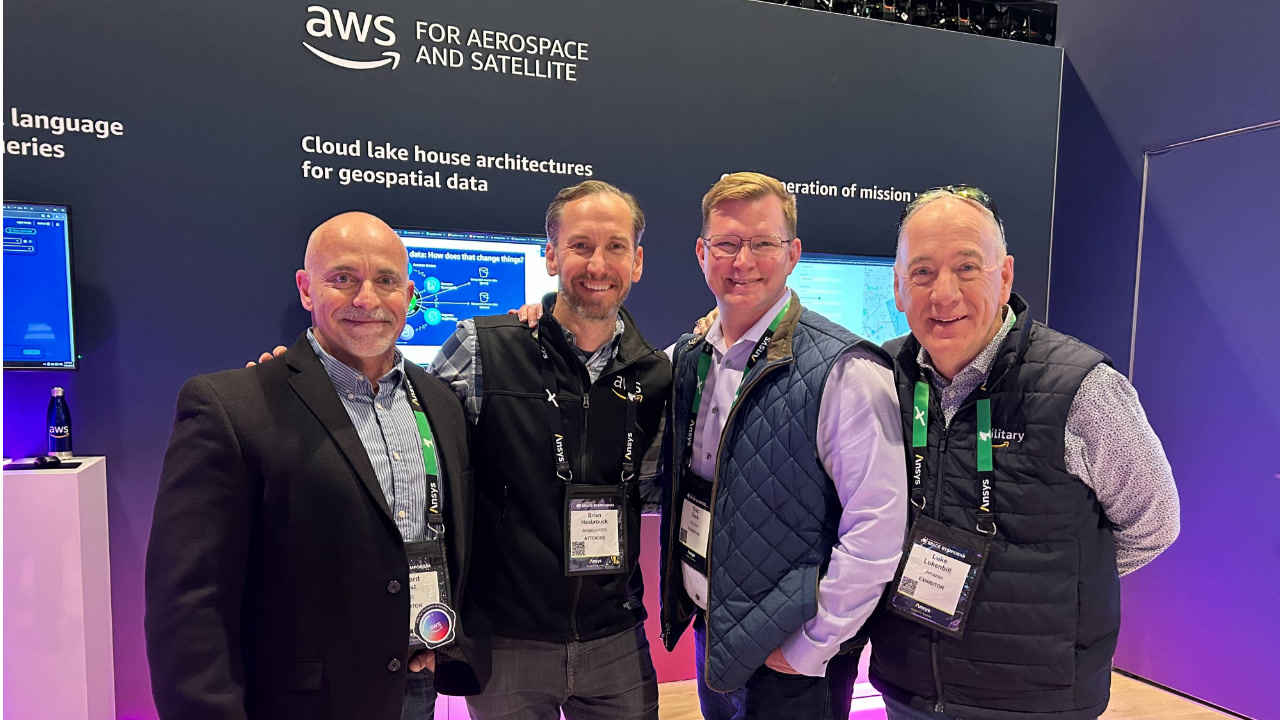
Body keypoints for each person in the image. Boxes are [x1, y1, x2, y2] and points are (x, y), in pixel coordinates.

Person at [145, 212, 490, 720]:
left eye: (386, 281)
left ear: (410, 293)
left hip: (415, 688)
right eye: (343, 278)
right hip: (299, 703)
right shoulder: (233, 405)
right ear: (307, 289)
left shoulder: (440, 402)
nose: (367, 299)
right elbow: (190, 601)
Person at [867, 186, 1181, 720]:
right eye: (921, 273)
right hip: (909, 689)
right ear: (897, 288)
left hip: (1036, 700)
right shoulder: (878, 378)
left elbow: (1154, 522)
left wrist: (1063, 591)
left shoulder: (1084, 389)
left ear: (1005, 276)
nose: (943, 294)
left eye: (967, 267)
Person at [657, 172, 908, 719]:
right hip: (715, 635)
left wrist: (809, 648)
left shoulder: (847, 371)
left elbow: (878, 528)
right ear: (702, 253)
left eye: (763, 243)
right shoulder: (691, 356)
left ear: (792, 254)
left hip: (790, 662)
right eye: (726, 244)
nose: (742, 261)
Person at [431, 180, 672, 720]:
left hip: (616, 640)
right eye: (581, 245)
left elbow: (657, 487)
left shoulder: (656, 375)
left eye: (615, 247)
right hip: (509, 643)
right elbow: (413, 444)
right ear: (550, 255)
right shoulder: (482, 349)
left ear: (636, 262)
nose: (597, 264)